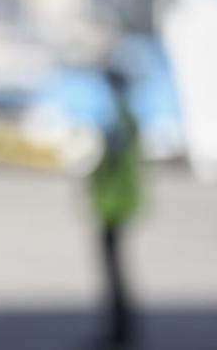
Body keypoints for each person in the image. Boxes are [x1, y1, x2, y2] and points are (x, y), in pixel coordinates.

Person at [89, 68, 143, 349]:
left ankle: (121, 331)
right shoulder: (125, 114)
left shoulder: (119, 117)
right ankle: (121, 328)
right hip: (117, 203)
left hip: (115, 204)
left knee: (114, 271)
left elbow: (109, 158)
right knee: (116, 270)